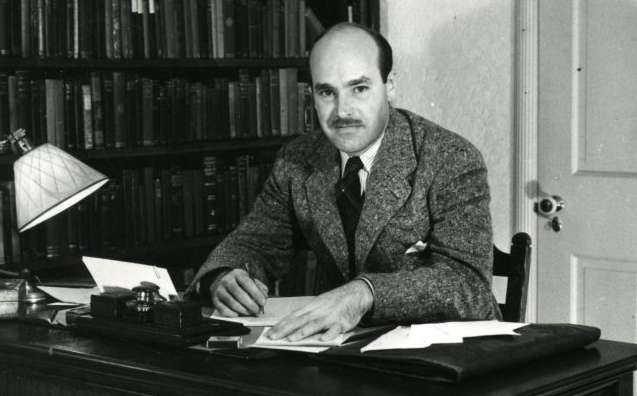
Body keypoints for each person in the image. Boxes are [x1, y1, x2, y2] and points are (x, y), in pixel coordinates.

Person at [190, 22, 500, 343]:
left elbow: (469, 286)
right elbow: (257, 241)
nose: (342, 110)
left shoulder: (448, 157)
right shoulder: (298, 159)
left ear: (390, 85)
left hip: (443, 351)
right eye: (327, 92)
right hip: (339, 349)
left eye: (360, 88)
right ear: (312, 94)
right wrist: (224, 275)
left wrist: (364, 293)